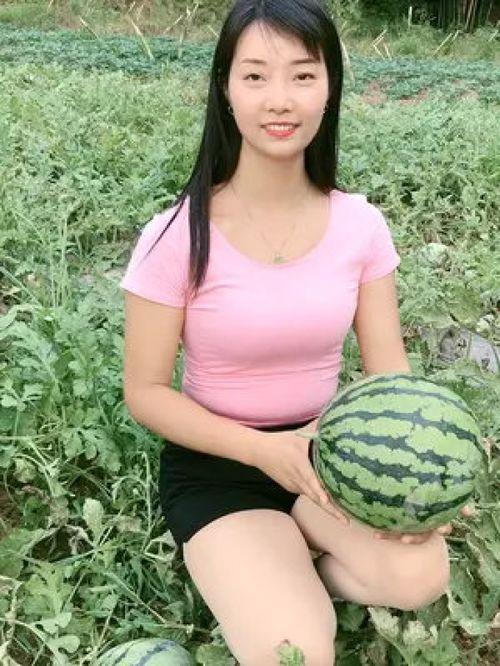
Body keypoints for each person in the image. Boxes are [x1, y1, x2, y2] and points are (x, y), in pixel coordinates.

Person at [119, 1, 473, 664]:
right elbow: (145, 392)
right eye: (255, 76)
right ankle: (264, 570)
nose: (279, 99)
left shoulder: (360, 226)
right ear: (226, 89)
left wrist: (419, 485)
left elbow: (389, 373)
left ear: (329, 87)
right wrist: (263, 451)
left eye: (303, 75)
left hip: (328, 456)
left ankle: (285, 567)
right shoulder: (176, 235)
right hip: (220, 465)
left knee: (421, 575)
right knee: (298, 652)